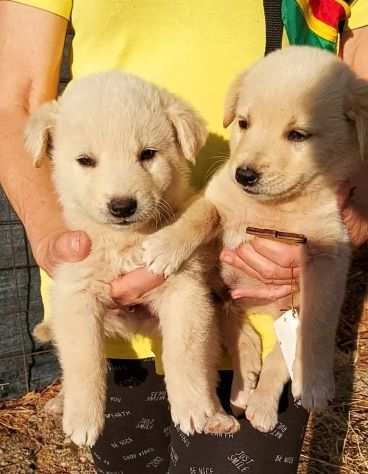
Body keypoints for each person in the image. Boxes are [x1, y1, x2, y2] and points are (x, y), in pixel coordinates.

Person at [0, 1, 367, 472]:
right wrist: (56, 239)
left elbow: (363, 92)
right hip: (105, 325)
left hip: (261, 299)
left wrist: (347, 219)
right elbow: (17, 97)